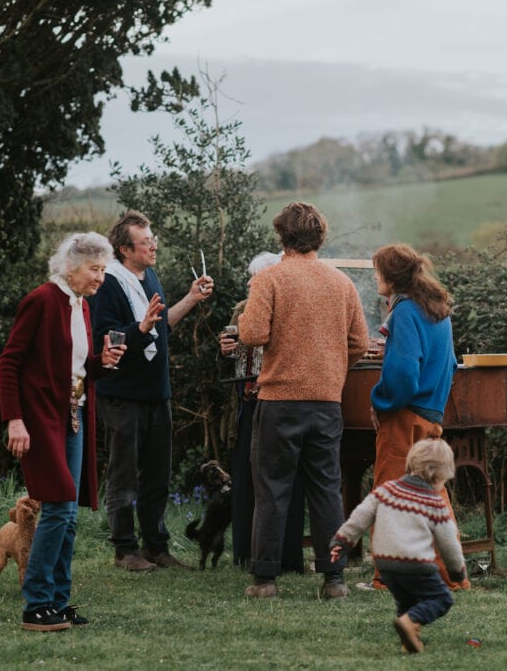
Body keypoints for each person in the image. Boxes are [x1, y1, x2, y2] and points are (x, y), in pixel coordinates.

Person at [238, 201, 369, 598]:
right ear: (320, 237)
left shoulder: (270, 279)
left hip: (279, 400)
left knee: (273, 488)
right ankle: (335, 580)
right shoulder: (341, 283)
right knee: (326, 490)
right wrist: (331, 367)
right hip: (327, 402)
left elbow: (252, 334)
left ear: (282, 236)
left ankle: (265, 580)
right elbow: (360, 343)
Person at [0, 232, 123, 631]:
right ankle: (36, 603)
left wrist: (102, 361)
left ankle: (58, 602)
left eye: (104, 270)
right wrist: (15, 419)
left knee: (68, 514)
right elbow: (9, 363)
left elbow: (77, 371)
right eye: (94, 269)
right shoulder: (40, 300)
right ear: (71, 267)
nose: (100, 277)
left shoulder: (81, 306)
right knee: (58, 505)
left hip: (74, 415)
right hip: (40, 419)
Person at [90, 210, 215, 572]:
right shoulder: (109, 282)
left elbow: (161, 327)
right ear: (125, 249)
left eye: (152, 239)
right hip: (122, 393)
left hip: (156, 391)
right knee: (124, 474)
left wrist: (191, 298)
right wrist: (139, 329)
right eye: (146, 243)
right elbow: (107, 339)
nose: (154, 246)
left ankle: (156, 547)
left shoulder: (150, 276)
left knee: (157, 475)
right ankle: (125, 551)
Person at [365, 243, 469, 591]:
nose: (375, 276)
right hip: (431, 417)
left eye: (378, 271)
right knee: (434, 498)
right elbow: (449, 364)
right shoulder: (437, 311)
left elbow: (403, 375)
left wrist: (379, 402)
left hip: (404, 420)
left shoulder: (405, 312)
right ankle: (453, 577)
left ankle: (385, 579)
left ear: (392, 277)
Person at [330, 438, 467, 654]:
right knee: (441, 599)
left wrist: (342, 542)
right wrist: (457, 571)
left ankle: (409, 640)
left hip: (385, 565)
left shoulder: (387, 490)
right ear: (438, 476)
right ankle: (411, 622)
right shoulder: (434, 503)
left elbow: (360, 517)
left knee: (406, 602)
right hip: (416, 563)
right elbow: (449, 543)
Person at [220, 251, 306, 572]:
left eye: (255, 276)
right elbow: (236, 357)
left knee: (285, 481)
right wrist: (227, 351)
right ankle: (245, 553)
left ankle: (286, 557)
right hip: (247, 404)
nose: (249, 282)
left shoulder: (291, 310)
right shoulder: (242, 310)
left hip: (278, 399)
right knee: (245, 480)